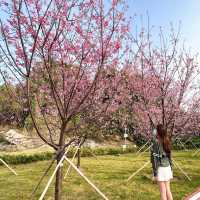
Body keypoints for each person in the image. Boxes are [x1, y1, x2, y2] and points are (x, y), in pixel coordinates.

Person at [151, 124, 173, 200]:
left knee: (163, 192)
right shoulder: (167, 141)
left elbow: (154, 159)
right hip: (168, 168)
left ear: (158, 132)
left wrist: (155, 173)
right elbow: (170, 157)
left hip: (160, 169)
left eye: (156, 130)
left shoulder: (156, 143)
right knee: (168, 190)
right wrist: (171, 168)